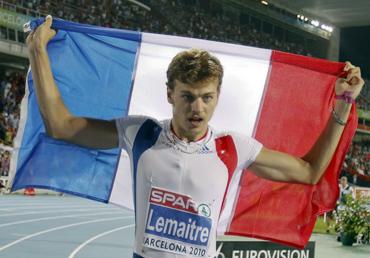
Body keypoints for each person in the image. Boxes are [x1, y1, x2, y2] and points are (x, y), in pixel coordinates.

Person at [26, 16, 364, 258]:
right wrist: (38, 52)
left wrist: (344, 105)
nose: (197, 108)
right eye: (187, 96)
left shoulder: (232, 147)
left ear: (218, 96)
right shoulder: (140, 132)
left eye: (207, 97)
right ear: (170, 93)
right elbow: (61, 125)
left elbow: (309, 172)